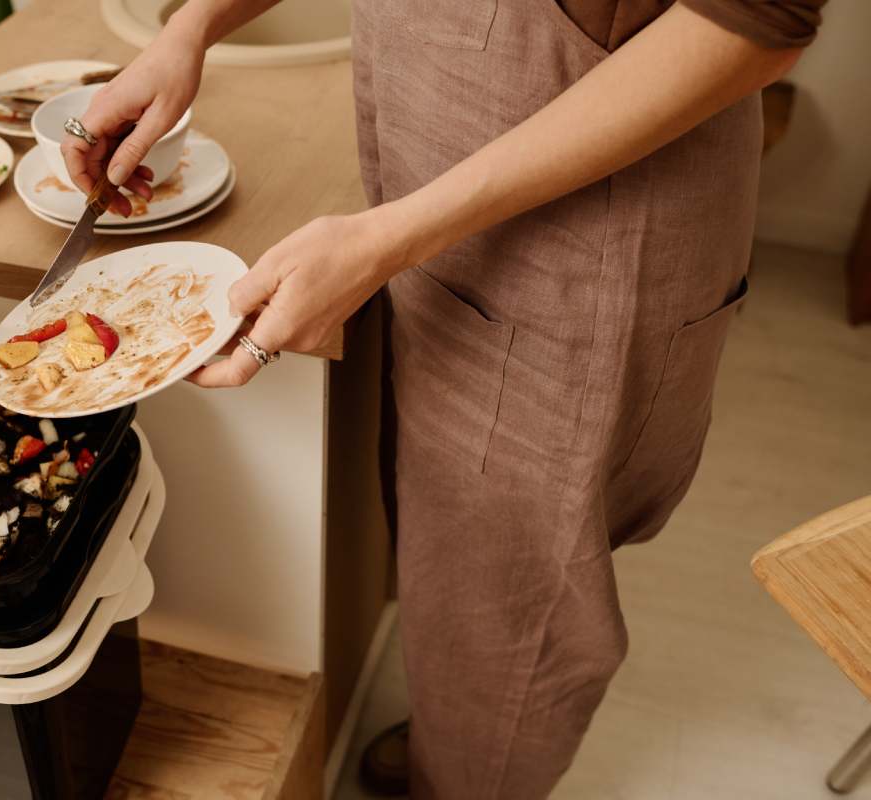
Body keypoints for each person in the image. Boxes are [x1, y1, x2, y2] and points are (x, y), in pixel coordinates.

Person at [62, 1, 825, 797]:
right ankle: (461, 737)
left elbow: (755, 22)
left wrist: (398, 235)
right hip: (439, 175)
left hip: (585, 228)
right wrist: (193, 28)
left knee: (516, 599)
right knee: (456, 544)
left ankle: (471, 770)